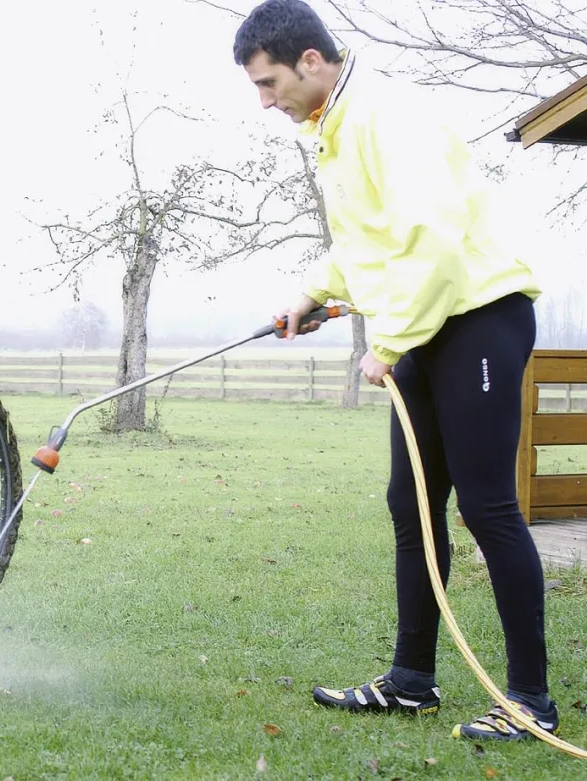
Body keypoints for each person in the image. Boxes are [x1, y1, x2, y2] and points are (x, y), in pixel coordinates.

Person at [231, 0, 555, 742]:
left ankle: (530, 701)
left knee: (487, 506)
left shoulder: (385, 116)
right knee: (410, 504)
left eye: (268, 81)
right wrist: (312, 294)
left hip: (476, 315)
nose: (264, 100)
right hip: (428, 326)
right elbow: (366, 243)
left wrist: (393, 341)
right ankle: (411, 681)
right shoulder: (333, 133)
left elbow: (434, 242)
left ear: (310, 60)